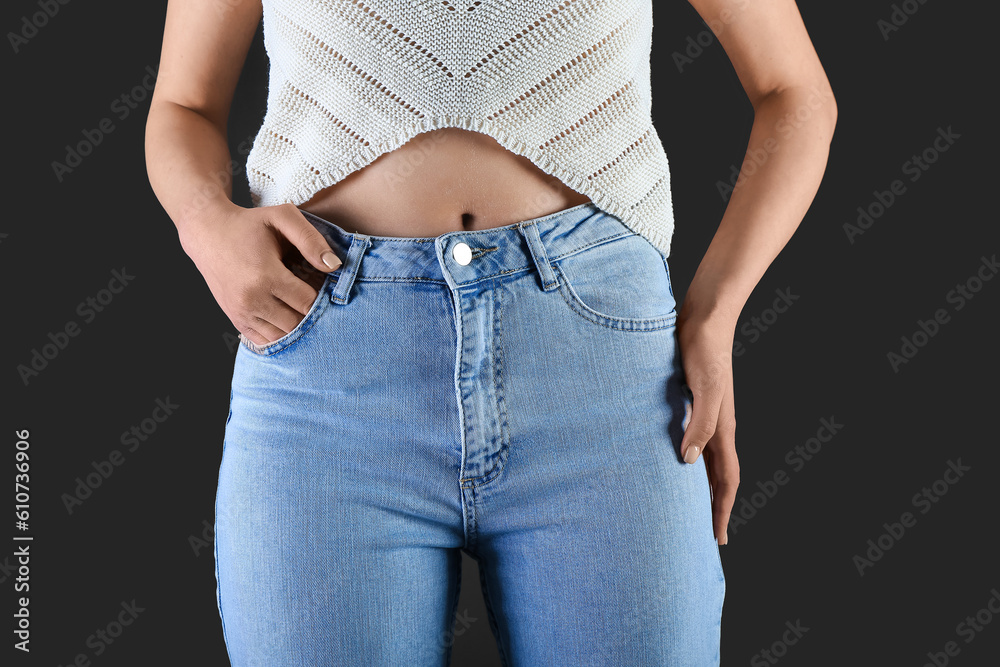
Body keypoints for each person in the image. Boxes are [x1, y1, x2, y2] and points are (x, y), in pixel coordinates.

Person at [145, 0, 836, 664]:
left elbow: (795, 91)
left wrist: (715, 312)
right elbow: (184, 104)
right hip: (325, 367)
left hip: (602, 368)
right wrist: (206, 223)